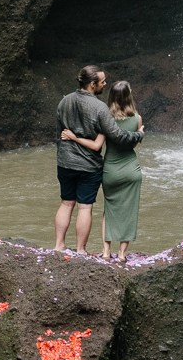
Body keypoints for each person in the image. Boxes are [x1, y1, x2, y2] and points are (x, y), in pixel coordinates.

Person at [54, 64, 143, 253]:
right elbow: (118, 136)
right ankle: (80, 249)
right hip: (88, 164)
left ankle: (59, 245)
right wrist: (138, 135)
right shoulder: (100, 108)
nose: (105, 84)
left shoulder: (64, 102)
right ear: (93, 84)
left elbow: (60, 131)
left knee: (66, 202)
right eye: (102, 82)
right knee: (84, 208)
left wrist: (69, 143)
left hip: (65, 161)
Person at [95, 80, 142, 259]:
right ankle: (122, 254)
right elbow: (133, 144)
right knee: (129, 211)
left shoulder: (106, 118)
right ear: (129, 96)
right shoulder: (137, 119)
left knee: (109, 209)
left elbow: (100, 142)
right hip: (131, 169)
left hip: (111, 170)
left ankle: (106, 251)